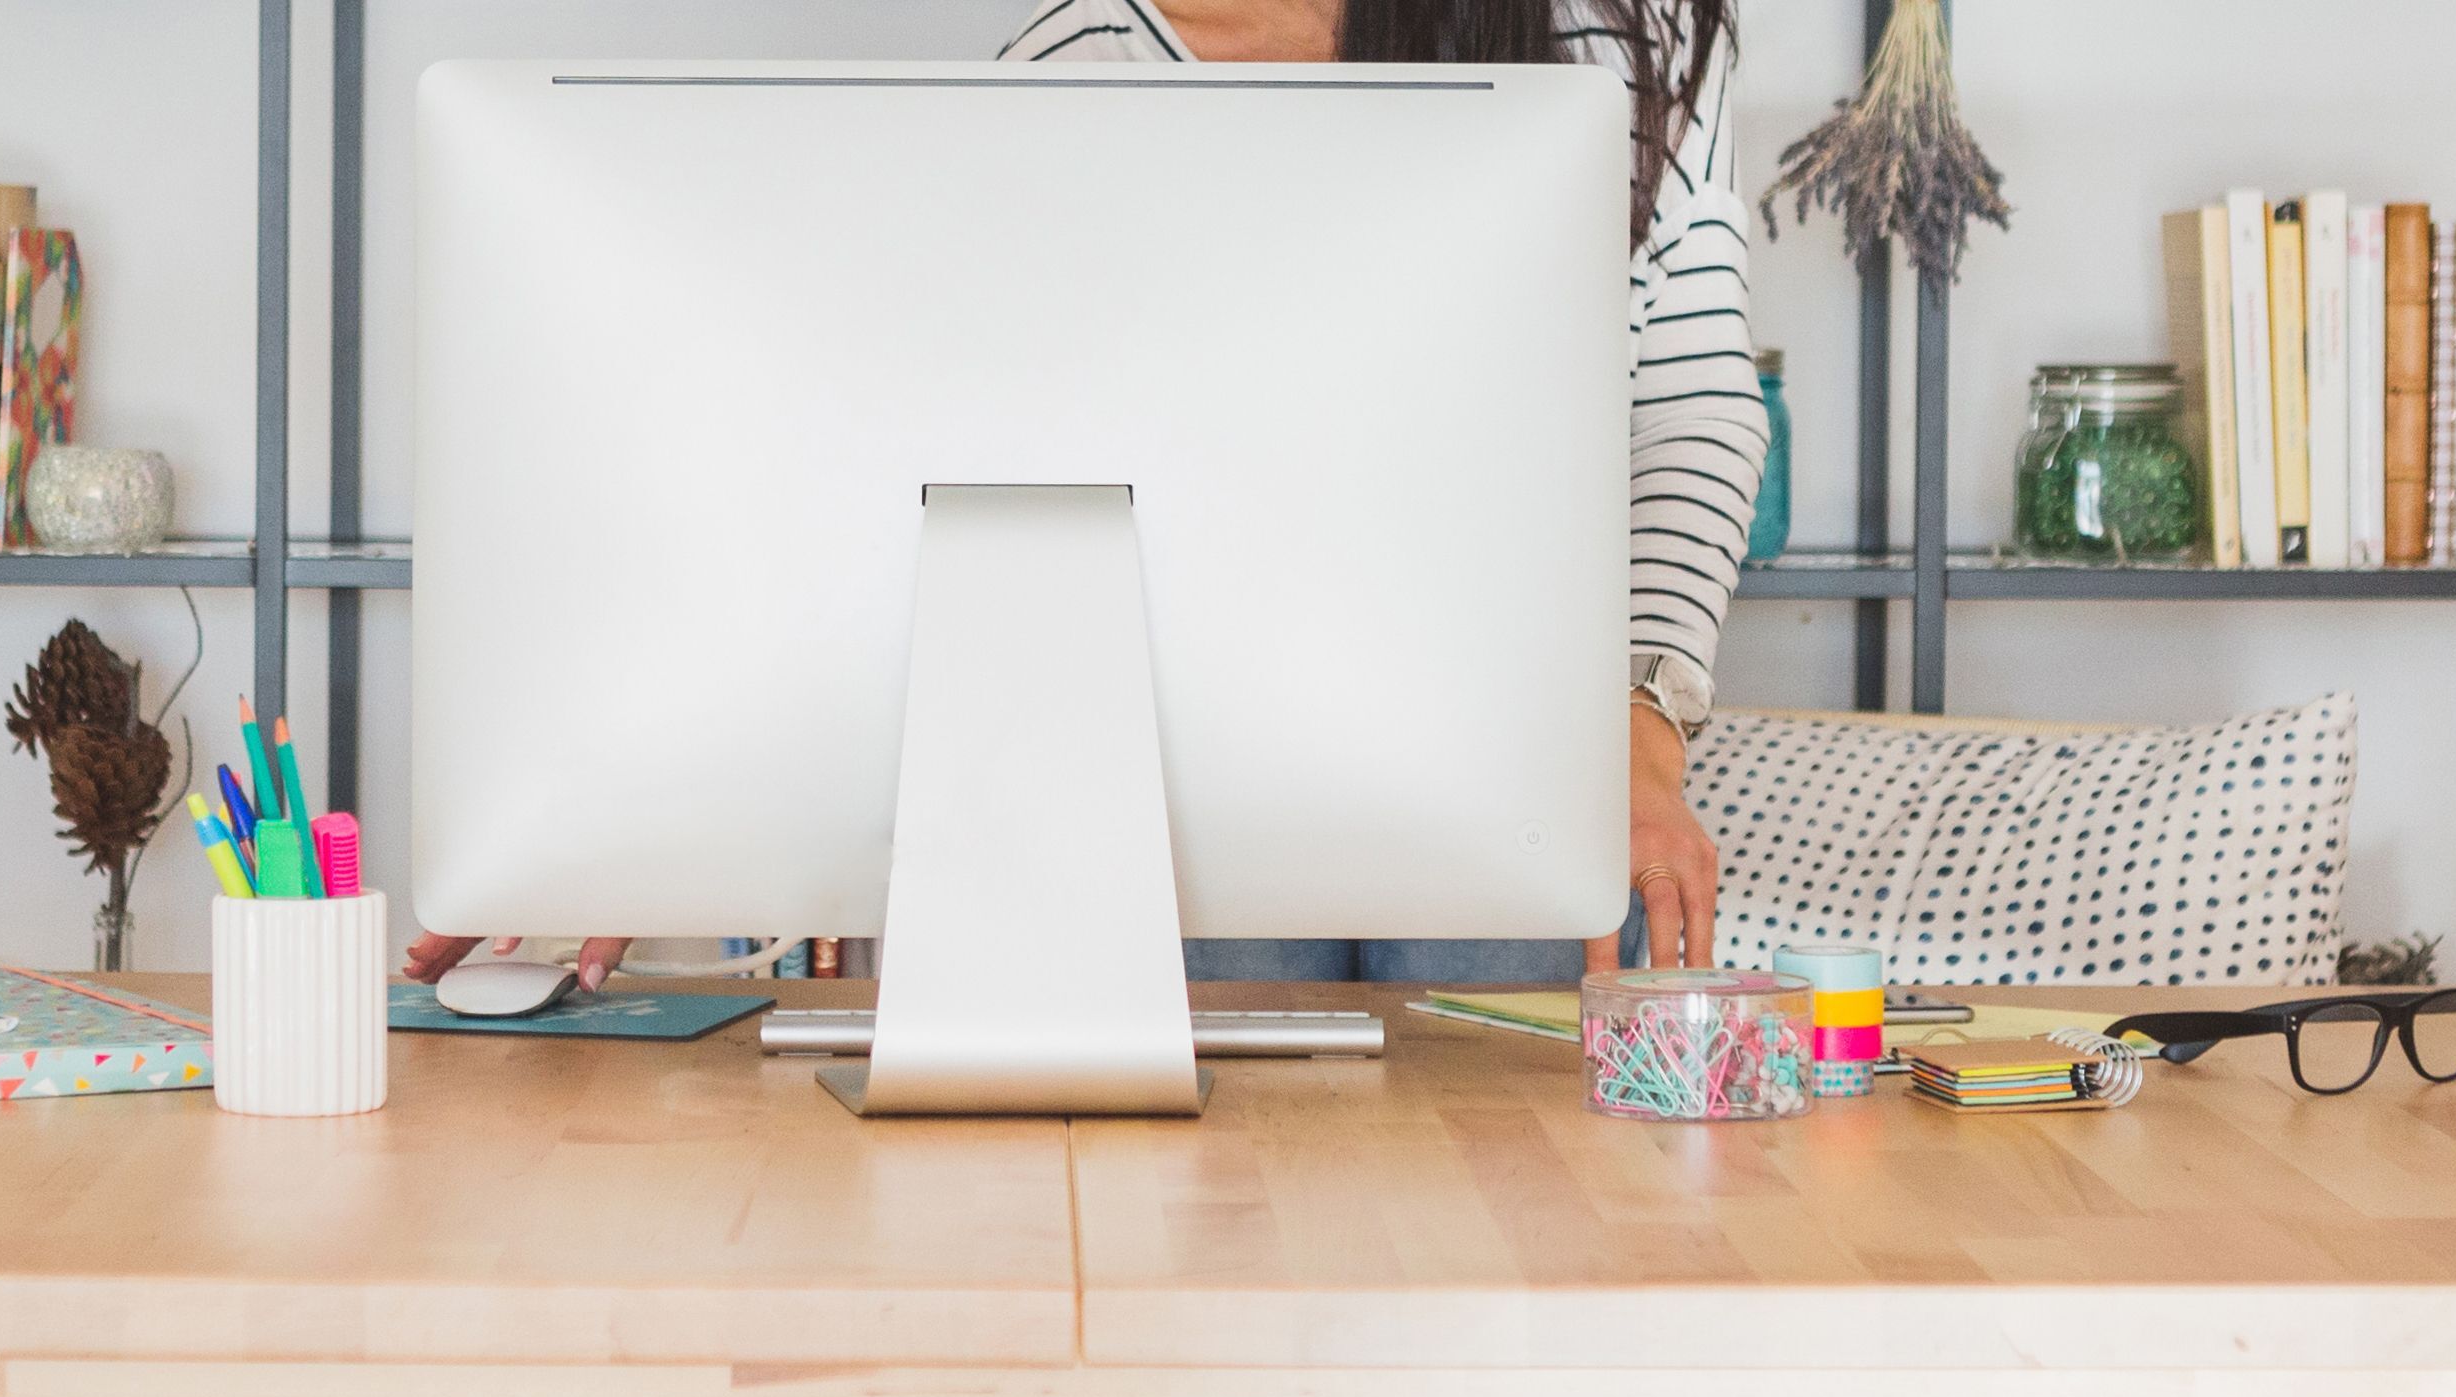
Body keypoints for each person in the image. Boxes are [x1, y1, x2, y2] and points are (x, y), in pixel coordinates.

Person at [411, 0, 1760, 992]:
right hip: (1170, 801)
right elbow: (895, 491)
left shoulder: (1613, 38)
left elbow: (1688, 401)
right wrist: (650, 817)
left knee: (1489, 1251)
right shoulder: (1063, 75)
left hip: (1508, 780)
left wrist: (1638, 742)